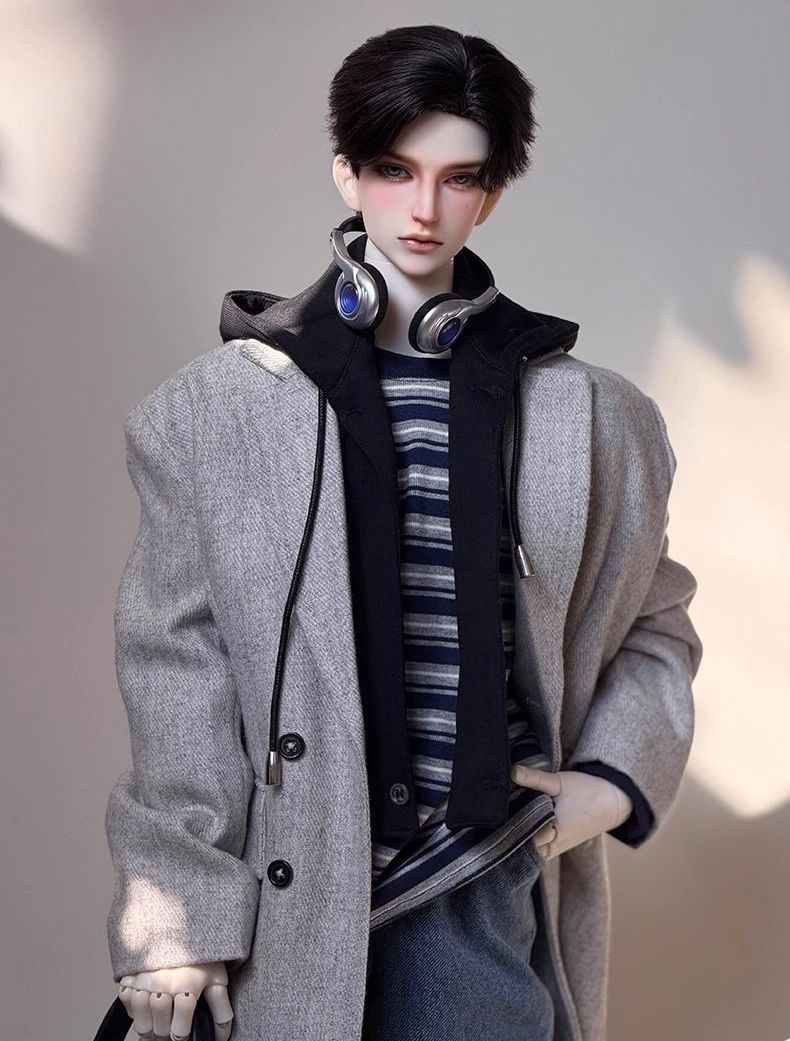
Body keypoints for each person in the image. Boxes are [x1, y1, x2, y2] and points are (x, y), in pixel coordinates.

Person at [105, 24, 703, 1041]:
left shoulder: (596, 420)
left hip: (476, 879)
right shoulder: (214, 413)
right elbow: (178, 669)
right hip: (286, 891)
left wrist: (604, 786)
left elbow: (656, 622)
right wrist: (179, 911)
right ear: (347, 171)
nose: (424, 209)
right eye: (394, 169)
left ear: (491, 194)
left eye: (459, 178)